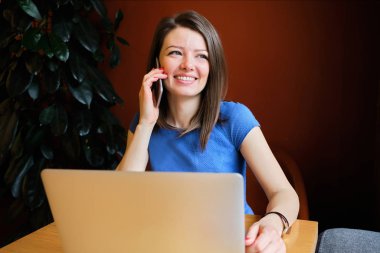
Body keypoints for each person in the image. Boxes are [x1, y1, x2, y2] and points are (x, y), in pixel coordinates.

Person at [117, 10, 299, 253]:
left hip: (234, 242)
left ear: (212, 67)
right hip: (172, 241)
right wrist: (146, 124)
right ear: (157, 65)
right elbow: (121, 197)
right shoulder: (144, 122)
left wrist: (273, 223)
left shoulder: (234, 118)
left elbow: (284, 192)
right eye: (175, 53)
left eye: (201, 56)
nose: (188, 65)